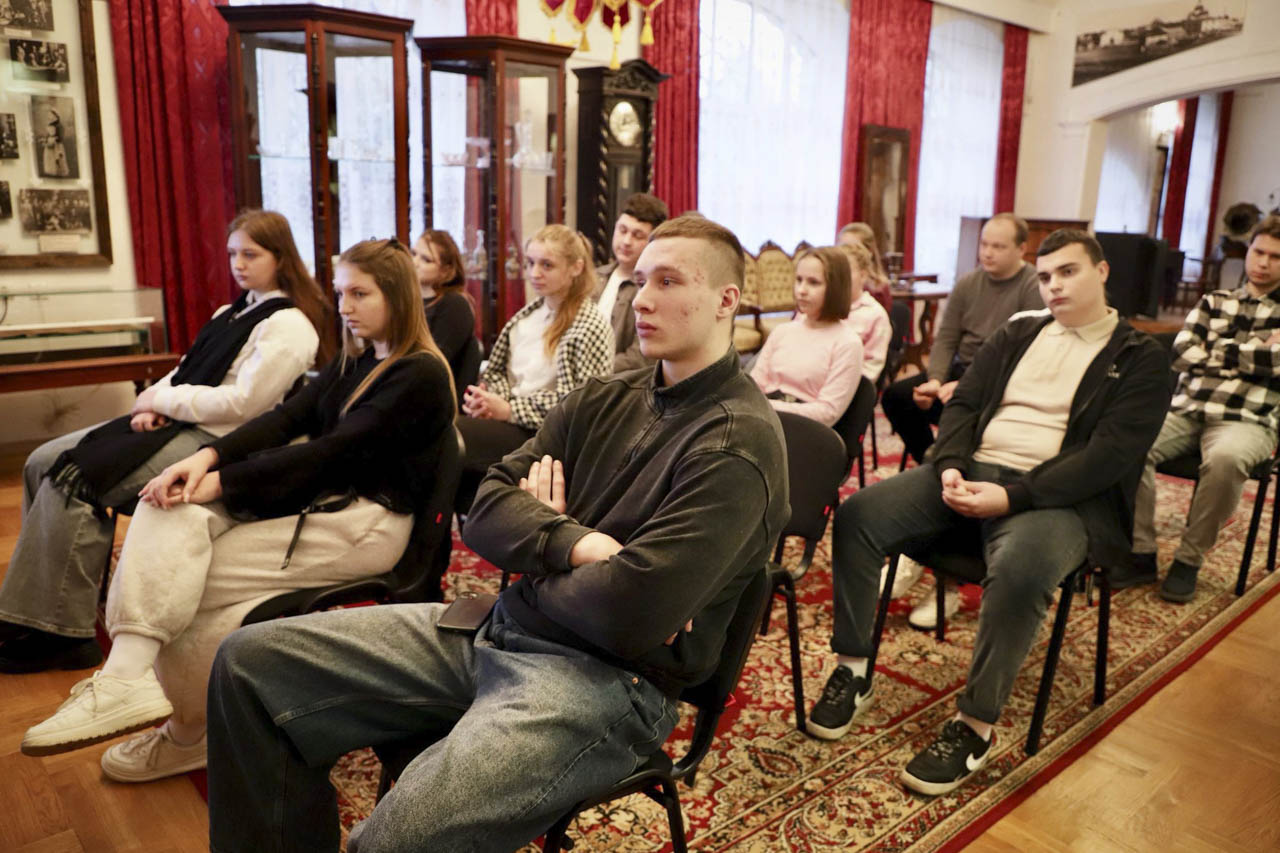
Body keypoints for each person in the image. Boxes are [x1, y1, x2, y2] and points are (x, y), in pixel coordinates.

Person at [201, 214, 789, 853]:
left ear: (726, 300)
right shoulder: (605, 396)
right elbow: (484, 507)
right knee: (248, 665)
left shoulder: (737, 445)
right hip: (499, 628)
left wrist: (543, 553)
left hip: (603, 680)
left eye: (668, 281)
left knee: (393, 840)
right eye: (642, 279)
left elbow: (630, 615)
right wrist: (578, 544)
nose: (642, 298)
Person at [19, 238, 456, 785]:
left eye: (360, 294)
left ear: (397, 296)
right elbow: (286, 418)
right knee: (168, 506)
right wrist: (206, 457)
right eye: (342, 292)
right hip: (327, 505)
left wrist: (223, 481)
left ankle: (189, 734)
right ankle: (126, 681)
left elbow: (330, 454)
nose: (344, 306)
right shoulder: (362, 357)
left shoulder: (419, 374)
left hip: (368, 525)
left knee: (187, 576)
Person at [806, 229, 1168, 796]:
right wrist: (949, 464)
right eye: (1045, 276)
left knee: (1022, 568)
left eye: (1068, 271)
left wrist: (1012, 497)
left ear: (1101, 272)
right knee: (859, 516)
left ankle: (974, 725)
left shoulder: (1141, 357)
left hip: (1058, 498)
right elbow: (966, 402)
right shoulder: (1020, 331)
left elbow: (1109, 458)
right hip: (971, 471)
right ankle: (853, 669)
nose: (1053, 286)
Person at [0, 209, 331, 674]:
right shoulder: (230, 312)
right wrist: (151, 402)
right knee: (40, 460)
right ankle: (28, 613)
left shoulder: (291, 324)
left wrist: (164, 399)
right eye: (232, 253)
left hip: (221, 439)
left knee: (75, 480)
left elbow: (245, 405)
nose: (238, 264)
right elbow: (184, 369)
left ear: (281, 257)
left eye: (251, 254)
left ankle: (63, 634)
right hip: (179, 419)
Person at [1120, 215, 1280, 602]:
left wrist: (1215, 350)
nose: (1262, 263)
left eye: (1275, 257)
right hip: (1188, 410)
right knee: (1125, 444)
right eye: (1258, 252)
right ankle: (1140, 552)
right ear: (1248, 251)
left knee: (1225, 460)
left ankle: (1188, 560)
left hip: (1248, 420)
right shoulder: (1214, 301)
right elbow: (1181, 353)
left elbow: (1275, 362)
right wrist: (1254, 355)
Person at [456, 225, 612, 507]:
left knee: (449, 436)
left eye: (546, 265)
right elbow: (498, 372)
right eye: (530, 263)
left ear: (576, 268)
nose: (534, 273)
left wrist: (509, 410)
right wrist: (488, 400)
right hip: (511, 421)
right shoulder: (528, 315)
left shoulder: (590, 325)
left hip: (548, 436)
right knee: (446, 445)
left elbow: (582, 406)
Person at [750, 246, 863, 426]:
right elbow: (754, 386)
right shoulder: (782, 331)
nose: (801, 290)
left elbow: (827, 413)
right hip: (764, 418)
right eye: (799, 280)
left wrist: (766, 407)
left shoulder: (847, 342)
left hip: (804, 429)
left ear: (835, 288)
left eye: (813, 282)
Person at [595, 192, 669, 372]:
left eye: (637, 235)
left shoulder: (656, 291)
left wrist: (591, 371)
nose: (626, 241)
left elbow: (640, 358)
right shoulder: (595, 277)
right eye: (622, 231)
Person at [411, 228, 476, 398]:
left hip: (432, 396)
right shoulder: (408, 301)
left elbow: (432, 365)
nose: (414, 262)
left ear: (445, 271)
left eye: (426, 259)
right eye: (413, 253)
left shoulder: (455, 304)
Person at [838, 241, 892, 383]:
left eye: (844, 272)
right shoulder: (819, 306)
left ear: (862, 276)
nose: (837, 278)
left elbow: (870, 371)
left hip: (849, 387)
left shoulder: (875, 315)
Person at [837, 222, 892, 311]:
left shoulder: (878, 289)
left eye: (852, 248)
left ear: (869, 251)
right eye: (842, 247)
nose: (845, 253)